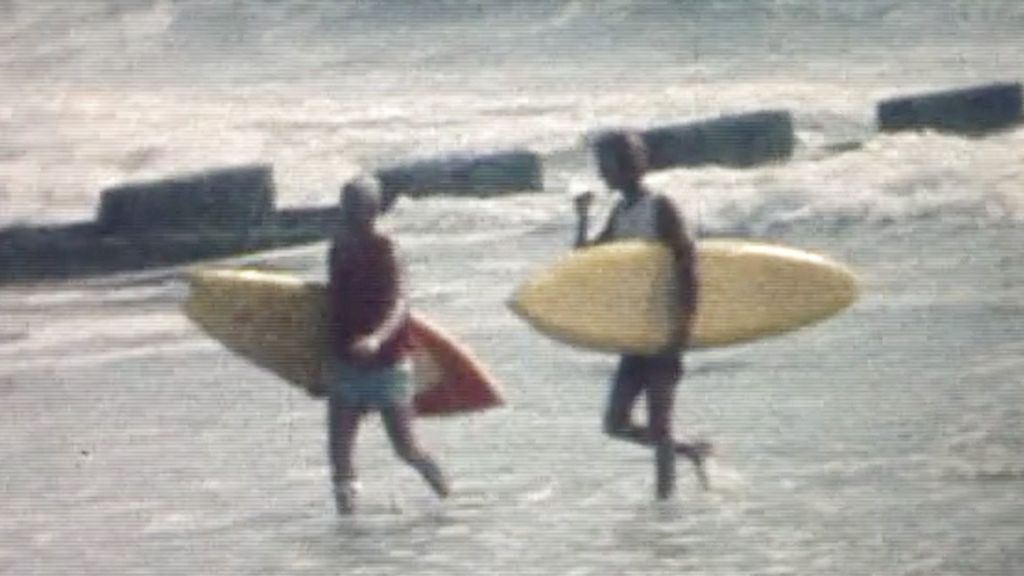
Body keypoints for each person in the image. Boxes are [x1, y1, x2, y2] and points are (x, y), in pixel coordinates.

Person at [573, 130, 711, 499]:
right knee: (614, 423)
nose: (602, 173)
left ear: (628, 165)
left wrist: (682, 329)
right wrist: (582, 219)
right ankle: (690, 452)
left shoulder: (661, 207)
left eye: (606, 165)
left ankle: (664, 507)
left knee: (660, 425)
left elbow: (689, 266)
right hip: (636, 334)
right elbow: (587, 261)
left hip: (665, 330)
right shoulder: (621, 211)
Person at [322, 176, 449, 514]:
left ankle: (449, 498)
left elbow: (401, 303)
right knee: (339, 455)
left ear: (373, 209)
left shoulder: (387, 247)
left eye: (355, 205)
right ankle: (348, 532)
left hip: (388, 365)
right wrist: (316, 366)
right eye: (344, 204)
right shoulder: (338, 248)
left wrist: (376, 338)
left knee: (406, 449)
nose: (347, 212)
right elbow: (332, 307)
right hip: (346, 363)